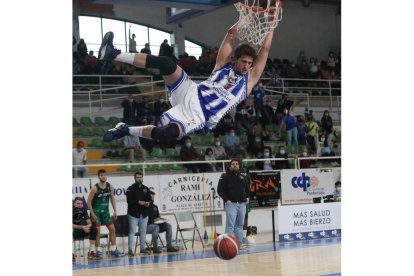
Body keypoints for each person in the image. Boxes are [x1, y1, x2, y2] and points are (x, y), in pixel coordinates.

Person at [99, 19, 276, 143]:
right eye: (243, 62)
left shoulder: (248, 81)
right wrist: (245, 18)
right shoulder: (223, 64)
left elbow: (266, 50)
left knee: (167, 134)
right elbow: (230, 35)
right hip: (191, 91)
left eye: (249, 63)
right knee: (167, 63)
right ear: (235, 59)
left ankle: (125, 129)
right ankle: (112, 54)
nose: (246, 66)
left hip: (199, 115)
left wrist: (271, 24)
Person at [86, 169, 124, 258]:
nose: (103, 176)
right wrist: (92, 214)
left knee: (112, 229)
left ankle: (113, 249)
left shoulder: (110, 186)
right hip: (96, 212)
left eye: (105, 175)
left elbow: (112, 198)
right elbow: (88, 202)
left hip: (105, 212)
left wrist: (115, 210)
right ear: (99, 177)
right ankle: (98, 250)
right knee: (97, 231)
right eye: (101, 175)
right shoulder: (95, 188)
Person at [217, 159, 250, 247]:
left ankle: (239, 244)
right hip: (231, 204)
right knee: (230, 226)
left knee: (240, 225)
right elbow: (219, 190)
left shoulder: (242, 176)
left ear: (239, 166)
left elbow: (247, 188)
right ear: (230, 166)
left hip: (242, 204)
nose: (235, 165)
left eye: (236, 164)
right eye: (233, 164)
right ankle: (229, 244)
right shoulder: (225, 176)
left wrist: (247, 197)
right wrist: (226, 199)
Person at [125, 171, 152, 256]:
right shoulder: (130, 188)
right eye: (137, 177)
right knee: (132, 231)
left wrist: (148, 203)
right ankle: (130, 249)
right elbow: (129, 201)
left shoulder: (146, 188)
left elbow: (150, 199)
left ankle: (143, 249)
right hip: (133, 214)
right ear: (135, 178)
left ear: (142, 178)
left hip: (144, 214)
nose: (139, 179)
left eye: (140, 177)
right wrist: (138, 202)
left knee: (143, 231)